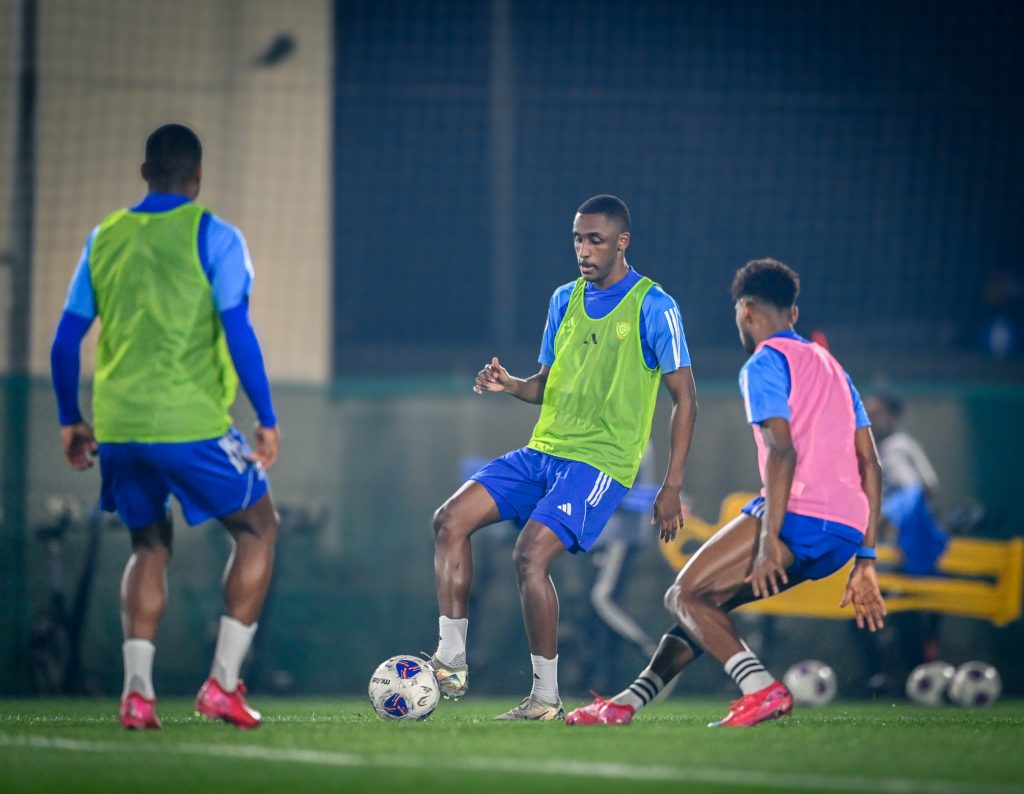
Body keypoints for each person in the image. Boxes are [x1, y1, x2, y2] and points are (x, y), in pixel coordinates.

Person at [567, 258, 886, 728]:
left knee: (683, 596)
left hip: (797, 516)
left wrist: (769, 539)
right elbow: (871, 464)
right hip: (843, 533)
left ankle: (762, 690)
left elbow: (782, 450)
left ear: (746, 310)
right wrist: (866, 559)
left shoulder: (764, 362)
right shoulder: (834, 368)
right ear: (794, 314)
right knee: (704, 607)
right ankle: (626, 704)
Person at [430, 195, 698, 720]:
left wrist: (670, 486)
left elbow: (685, 398)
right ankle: (451, 661)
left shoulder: (654, 305)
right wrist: (512, 385)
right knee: (449, 520)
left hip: (600, 464)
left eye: (595, 239)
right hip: (543, 452)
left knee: (530, 555)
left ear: (622, 242)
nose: (583, 250)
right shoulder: (563, 300)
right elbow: (545, 386)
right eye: (578, 239)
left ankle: (545, 697)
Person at [49, 124, 280, 730]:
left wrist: (70, 419)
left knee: (149, 545)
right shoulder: (216, 236)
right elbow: (238, 331)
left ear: (144, 172)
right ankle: (222, 686)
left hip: (119, 427)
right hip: (190, 423)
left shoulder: (105, 236)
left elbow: (65, 341)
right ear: (197, 177)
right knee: (259, 527)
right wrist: (266, 417)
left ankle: (137, 694)